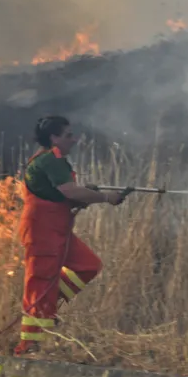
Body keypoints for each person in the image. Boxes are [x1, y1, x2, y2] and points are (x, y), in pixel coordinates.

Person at [13, 115, 126, 356]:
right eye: (68, 135)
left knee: (88, 266)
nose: (73, 140)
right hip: (42, 231)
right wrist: (106, 197)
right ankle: (30, 347)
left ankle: (49, 305)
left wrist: (87, 195)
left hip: (57, 230)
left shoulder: (50, 160)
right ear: (54, 138)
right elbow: (69, 190)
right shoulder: (51, 160)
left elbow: (65, 195)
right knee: (41, 283)